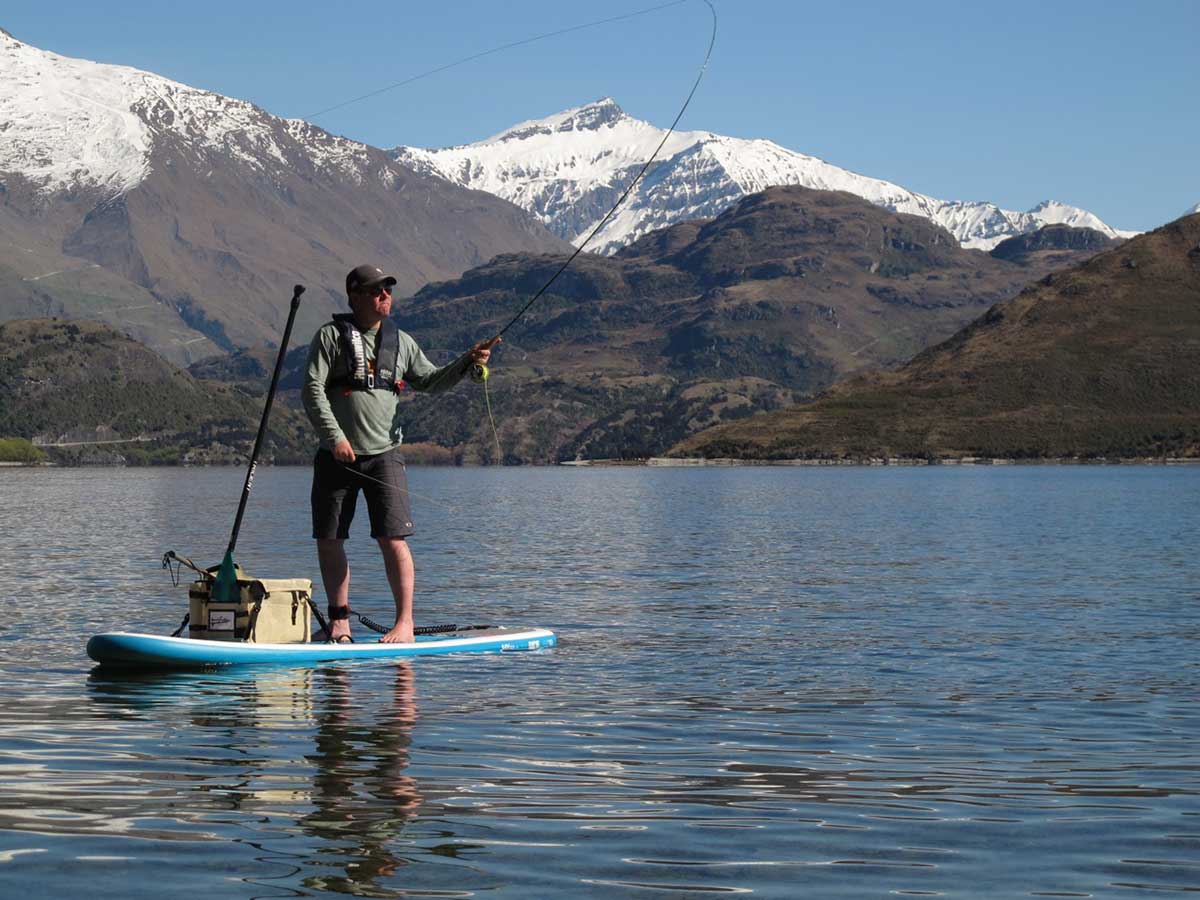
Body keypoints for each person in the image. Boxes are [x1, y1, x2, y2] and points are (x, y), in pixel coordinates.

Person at [302, 263, 497, 643]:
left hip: (385, 455)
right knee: (330, 539)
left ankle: (404, 624)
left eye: (387, 290)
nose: (384, 296)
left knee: (393, 539)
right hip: (335, 455)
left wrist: (466, 364)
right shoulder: (329, 337)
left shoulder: (401, 341)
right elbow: (311, 390)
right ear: (354, 296)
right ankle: (339, 623)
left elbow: (431, 381)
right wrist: (335, 437)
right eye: (376, 290)